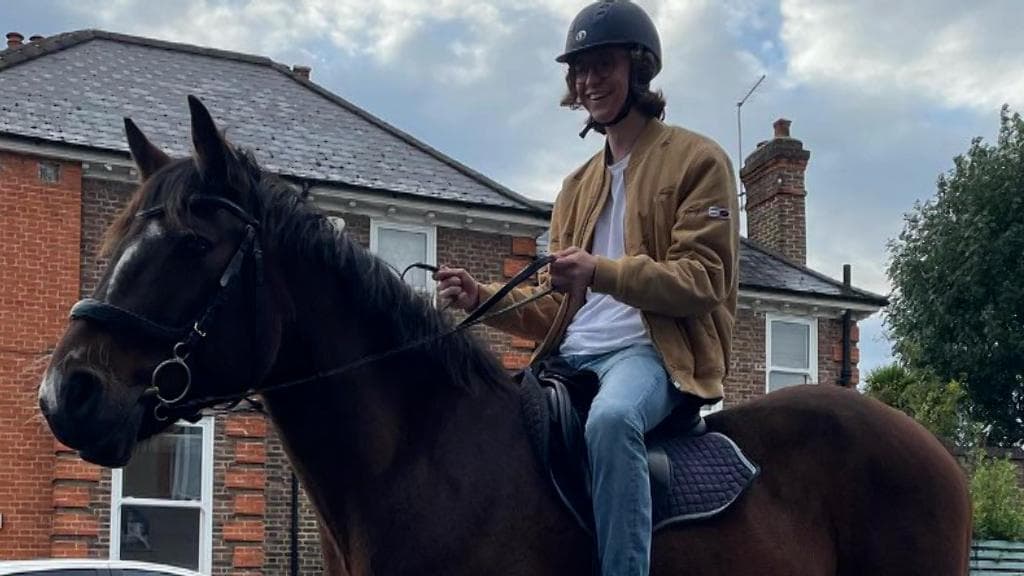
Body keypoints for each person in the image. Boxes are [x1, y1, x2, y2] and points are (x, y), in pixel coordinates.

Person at [434, 1, 739, 573]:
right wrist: (483, 298)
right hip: (571, 357)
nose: (589, 81)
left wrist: (601, 271)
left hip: (653, 355)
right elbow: (555, 306)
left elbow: (705, 280)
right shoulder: (575, 187)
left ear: (639, 69)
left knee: (611, 421)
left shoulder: (699, 160)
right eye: (580, 70)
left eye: (603, 65)